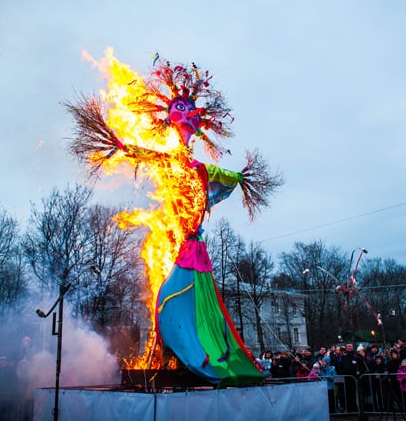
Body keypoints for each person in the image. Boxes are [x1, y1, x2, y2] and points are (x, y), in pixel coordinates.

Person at [66, 54, 281, 386]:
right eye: (180, 109)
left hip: (193, 247)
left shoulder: (200, 169)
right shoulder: (170, 161)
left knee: (170, 298)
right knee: (171, 296)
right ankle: (175, 352)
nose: (186, 114)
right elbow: (146, 154)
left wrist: (242, 177)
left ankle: (190, 354)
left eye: (190, 110)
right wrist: (121, 146)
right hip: (185, 245)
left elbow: (225, 174)